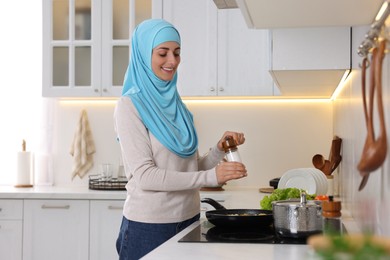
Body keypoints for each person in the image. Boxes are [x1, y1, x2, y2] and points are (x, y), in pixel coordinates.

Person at [114, 19, 247, 260]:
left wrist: (218, 151)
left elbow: (189, 167)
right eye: (162, 53)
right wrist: (211, 178)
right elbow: (145, 176)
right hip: (149, 227)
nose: (172, 61)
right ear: (144, 55)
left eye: (177, 53)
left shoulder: (178, 106)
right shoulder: (129, 105)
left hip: (188, 219)